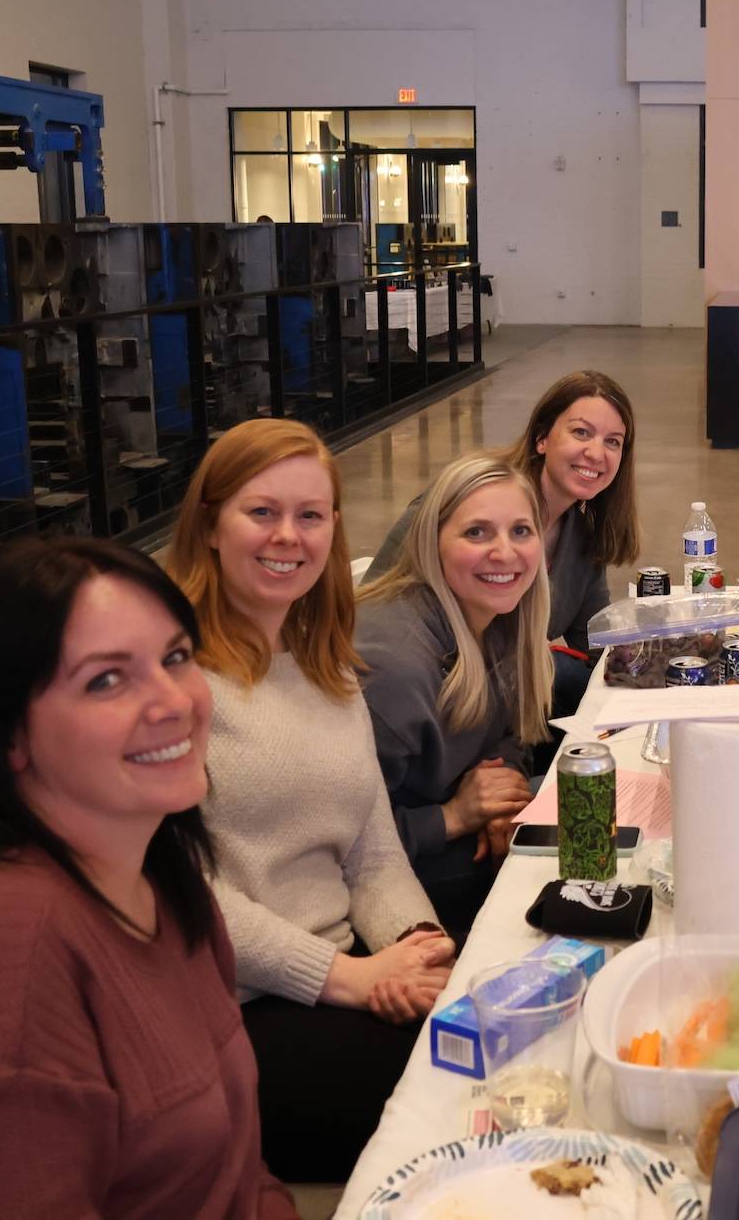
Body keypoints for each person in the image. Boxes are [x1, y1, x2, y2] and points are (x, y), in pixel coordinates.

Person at [0, 538, 296, 1219]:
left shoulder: (158, 878)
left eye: (175, 657)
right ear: (7, 735)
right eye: (106, 680)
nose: (173, 701)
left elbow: (239, 1169)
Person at [166, 418, 454, 1183]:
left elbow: (371, 847)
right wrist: (353, 978)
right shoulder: (175, 685)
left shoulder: (323, 667)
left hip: (338, 972)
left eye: (310, 515)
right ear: (210, 525)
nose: (287, 536)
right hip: (234, 1009)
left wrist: (417, 944)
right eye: (261, 512)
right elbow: (184, 893)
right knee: (458, 1102)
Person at [365, 370, 640, 725]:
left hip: (499, 709)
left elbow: (599, 646)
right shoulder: (465, 501)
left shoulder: (582, 536)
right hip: (423, 700)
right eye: (581, 432)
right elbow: (375, 612)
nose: (595, 453)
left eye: (613, 441)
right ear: (542, 437)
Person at [356, 454, 553, 932]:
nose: (504, 552)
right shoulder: (396, 669)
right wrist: (454, 816)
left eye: (520, 531)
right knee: (554, 865)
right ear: (432, 543)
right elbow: (334, 843)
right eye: (477, 532)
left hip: (435, 820)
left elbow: (508, 731)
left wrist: (500, 793)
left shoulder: (498, 618)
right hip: (375, 875)